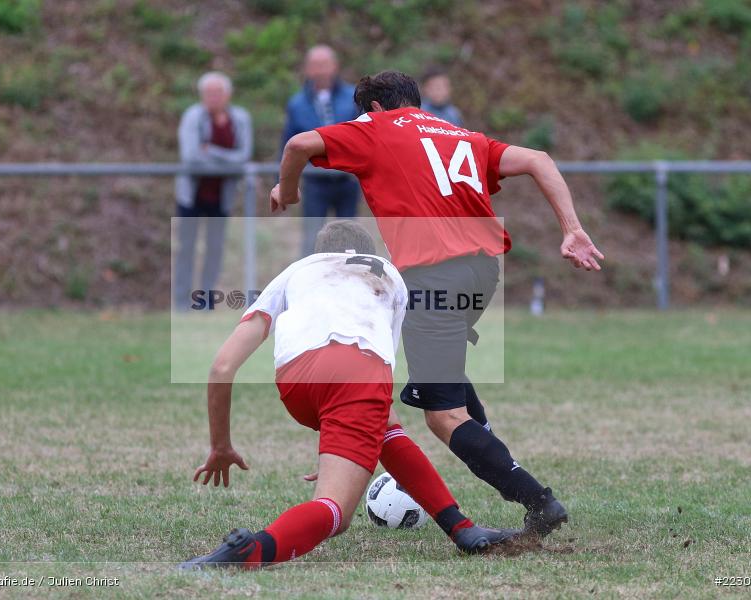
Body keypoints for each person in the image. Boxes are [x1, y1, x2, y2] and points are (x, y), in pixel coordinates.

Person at [271, 71, 605, 539]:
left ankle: (537, 500)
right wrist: (571, 227)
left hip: (434, 276)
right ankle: (501, 464)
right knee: (446, 378)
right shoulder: (462, 135)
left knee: (444, 416)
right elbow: (539, 160)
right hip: (483, 272)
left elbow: (298, 145)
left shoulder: (374, 128)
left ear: (374, 108)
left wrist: (287, 189)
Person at [180, 221, 518, 570]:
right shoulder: (390, 276)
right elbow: (380, 362)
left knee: (383, 426)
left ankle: (461, 528)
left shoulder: (296, 271)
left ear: (319, 255)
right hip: (358, 374)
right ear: (369, 254)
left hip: (295, 382)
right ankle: (251, 551)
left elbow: (222, 367)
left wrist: (220, 445)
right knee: (335, 512)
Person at [174, 72, 253, 311]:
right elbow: (191, 156)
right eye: (208, 93)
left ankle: (205, 303)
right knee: (186, 248)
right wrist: (225, 159)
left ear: (227, 95)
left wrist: (211, 150)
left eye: (217, 93)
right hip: (192, 196)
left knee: (215, 249)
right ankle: (180, 302)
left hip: (221, 196)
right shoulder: (192, 117)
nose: (213, 98)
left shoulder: (239, 119)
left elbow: (243, 156)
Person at [281, 45, 360, 256]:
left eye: (324, 65)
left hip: (346, 179)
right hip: (315, 181)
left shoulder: (352, 97)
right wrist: (283, 181)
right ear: (307, 69)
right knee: (312, 238)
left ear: (335, 66)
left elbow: (362, 134)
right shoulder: (297, 104)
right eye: (315, 65)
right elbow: (289, 142)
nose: (320, 71)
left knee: (348, 238)